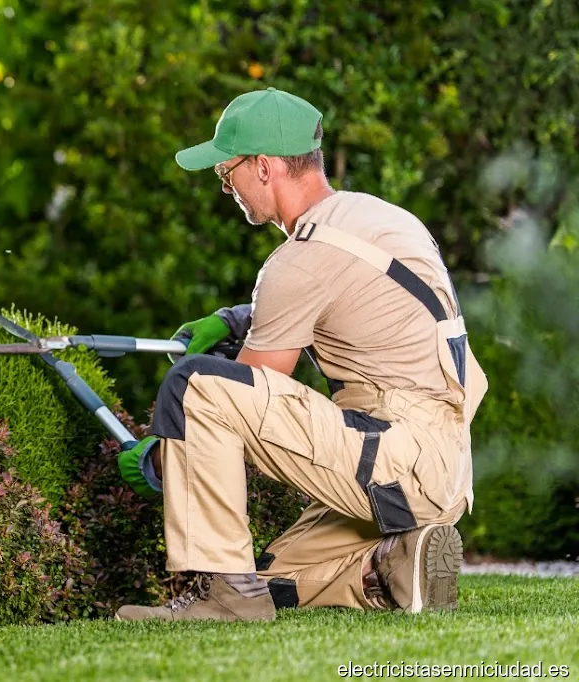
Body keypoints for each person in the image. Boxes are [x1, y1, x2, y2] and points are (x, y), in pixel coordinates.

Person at [114, 87, 488, 622]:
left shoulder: (300, 258)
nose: (226, 185)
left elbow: (245, 401)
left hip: (395, 459)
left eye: (228, 170)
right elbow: (353, 303)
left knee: (194, 385)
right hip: (441, 467)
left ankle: (228, 601)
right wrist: (237, 319)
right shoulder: (377, 219)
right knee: (270, 576)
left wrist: (158, 459)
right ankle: (389, 564)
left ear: (264, 167)